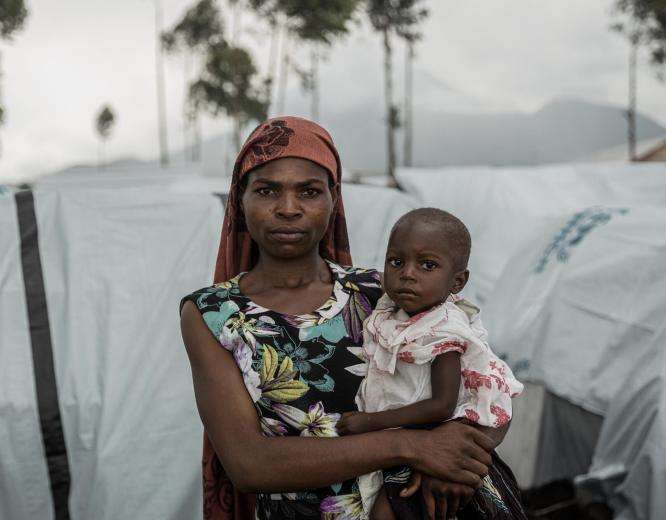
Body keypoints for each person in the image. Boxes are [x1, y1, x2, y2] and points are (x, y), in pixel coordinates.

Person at [179, 117, 522, 519]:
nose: (288, 209)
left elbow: (488, 389)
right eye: (267, 190)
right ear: (241, 199)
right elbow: (249, 464)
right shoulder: (213, 314)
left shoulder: (384, 292)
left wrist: (454, 458)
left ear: (333, 198)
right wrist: (413, 447)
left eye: (308, 191)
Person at [337, 208, 524, 519]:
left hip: (440, 443)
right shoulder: (394, 312)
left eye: (428, 265)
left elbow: (441, 405)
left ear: (458, 281)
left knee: (385, 512)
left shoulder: (444, 331)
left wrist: (369, 422)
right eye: (396, 262)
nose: (408, 274)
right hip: (410, 443)